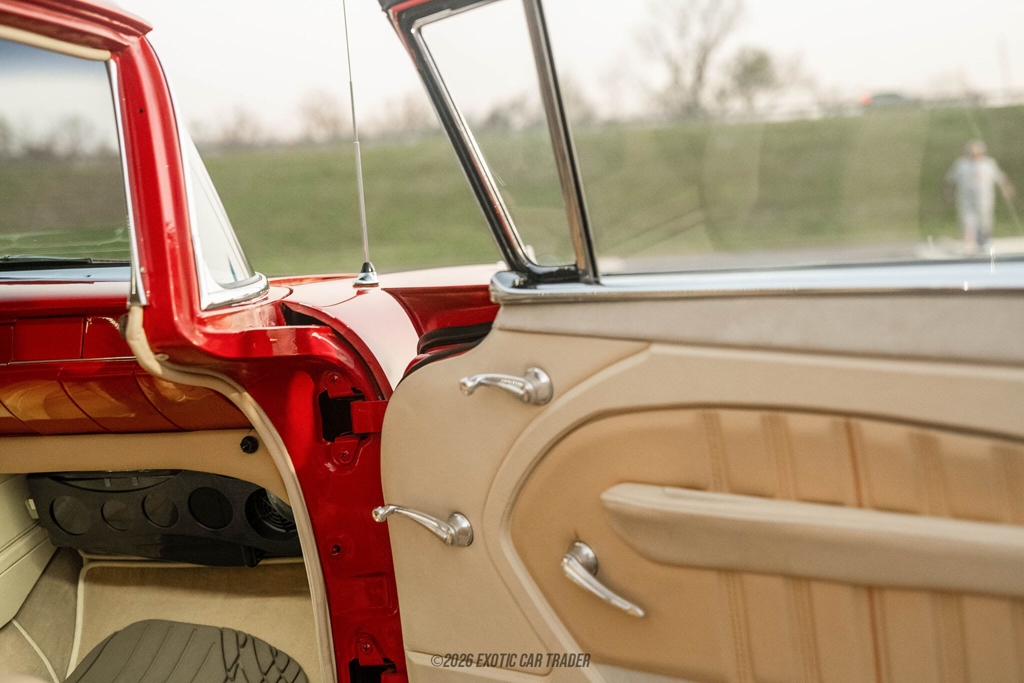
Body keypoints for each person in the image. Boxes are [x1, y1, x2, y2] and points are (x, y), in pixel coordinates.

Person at [945, 140, 1015, 252]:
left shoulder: (988, 164)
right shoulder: (961, 164)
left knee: (984, 219)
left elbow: (1000, 178)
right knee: (967, 220)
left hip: (984, 198)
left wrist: (1006, 189)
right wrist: (949, 191)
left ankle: (984, 241)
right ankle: (968, 243)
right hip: (966, 198)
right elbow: (951, 179)